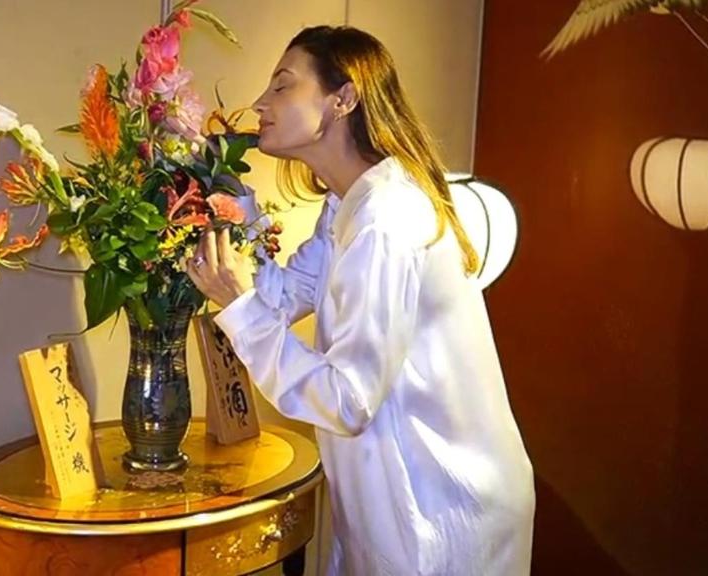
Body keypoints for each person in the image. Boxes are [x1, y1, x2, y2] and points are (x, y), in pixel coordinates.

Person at [186, 25, 535, 576]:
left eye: (282, 85)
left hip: (440, 506)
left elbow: (348, 399)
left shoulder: (385, 220)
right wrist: (237, 207)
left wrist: (240, 307)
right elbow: (283, 297)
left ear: (343, 98)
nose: (259, 103)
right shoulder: (346, 206)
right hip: (393, 491)